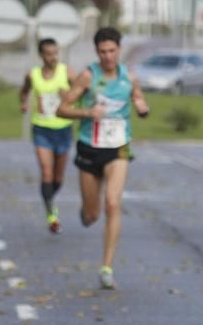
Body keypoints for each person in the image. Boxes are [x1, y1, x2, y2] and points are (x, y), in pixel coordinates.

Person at [56, 27, 149, 290]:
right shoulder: (88, 76)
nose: (108, 56)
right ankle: (87, 212)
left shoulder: (129, 77)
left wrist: (142, 108)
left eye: (112, 51)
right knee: (93, 213)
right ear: (97, 52)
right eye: (103, 51)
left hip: (118, 148)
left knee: (112, 203)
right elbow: (62, 109)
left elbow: (140, 101)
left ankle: (106, 268)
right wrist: (87, 112)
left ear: (119, 50)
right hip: (89, 147)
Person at [19, 38, 73, 234]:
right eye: (49, 54)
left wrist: (69, 97)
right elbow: (24, 91)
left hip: (63, 128)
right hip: (41, 128)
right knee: (47, 173)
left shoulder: (66, 72)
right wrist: (24, 103)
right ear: (42, 55)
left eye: (55, 53)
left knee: (58, 177)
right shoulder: (33, 75)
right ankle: (52, 215)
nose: (53, 57)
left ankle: (49, 199)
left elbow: (81, 91)